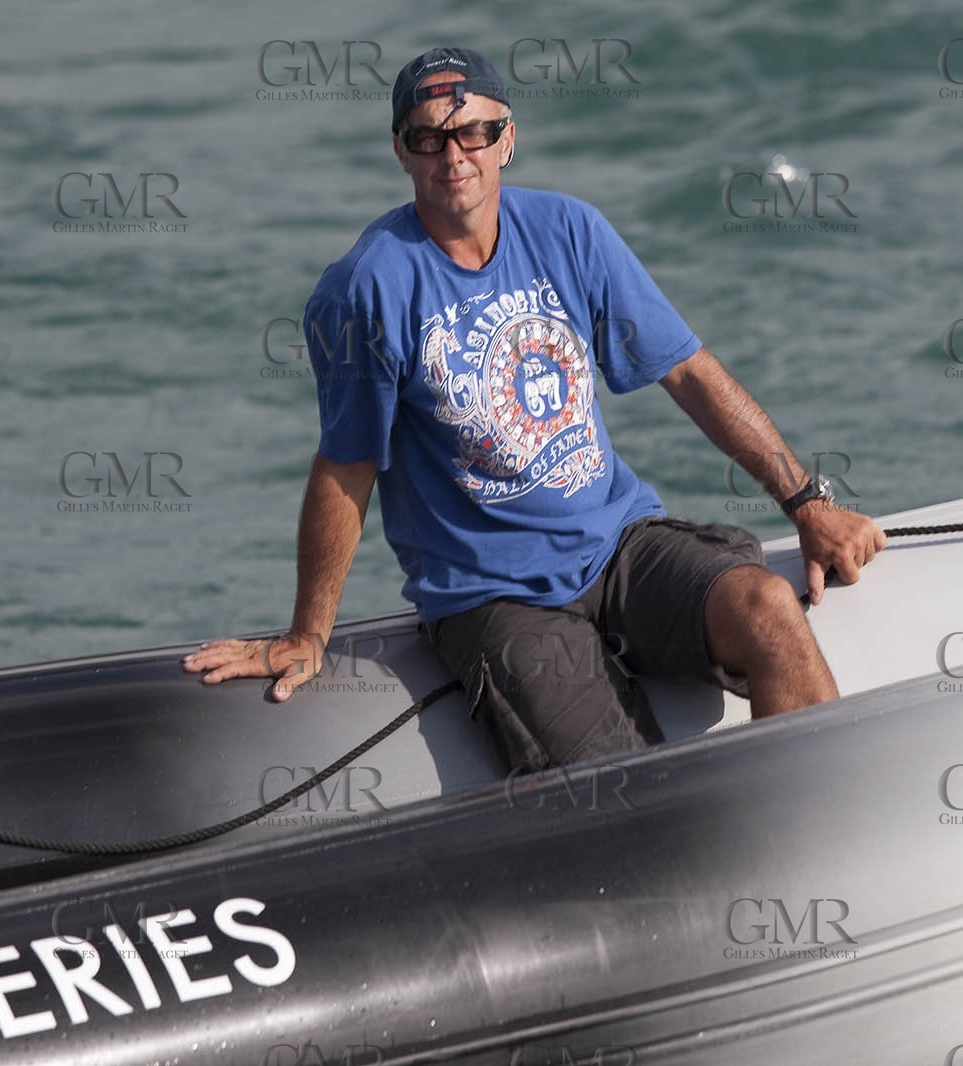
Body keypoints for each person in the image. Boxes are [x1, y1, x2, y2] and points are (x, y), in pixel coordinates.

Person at [185, 48, 886, 772]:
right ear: (401, 151)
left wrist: (806, 503)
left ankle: (813, 818)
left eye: (474, 134)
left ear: (507, 140)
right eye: (428, 138)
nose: (454, 156)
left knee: (770, 612)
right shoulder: (366, 289)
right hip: (493, 593)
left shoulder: (570, 232)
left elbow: (687, 372)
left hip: (617, 544)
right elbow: (346, 465)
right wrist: (309, 633)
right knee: (616, 783)